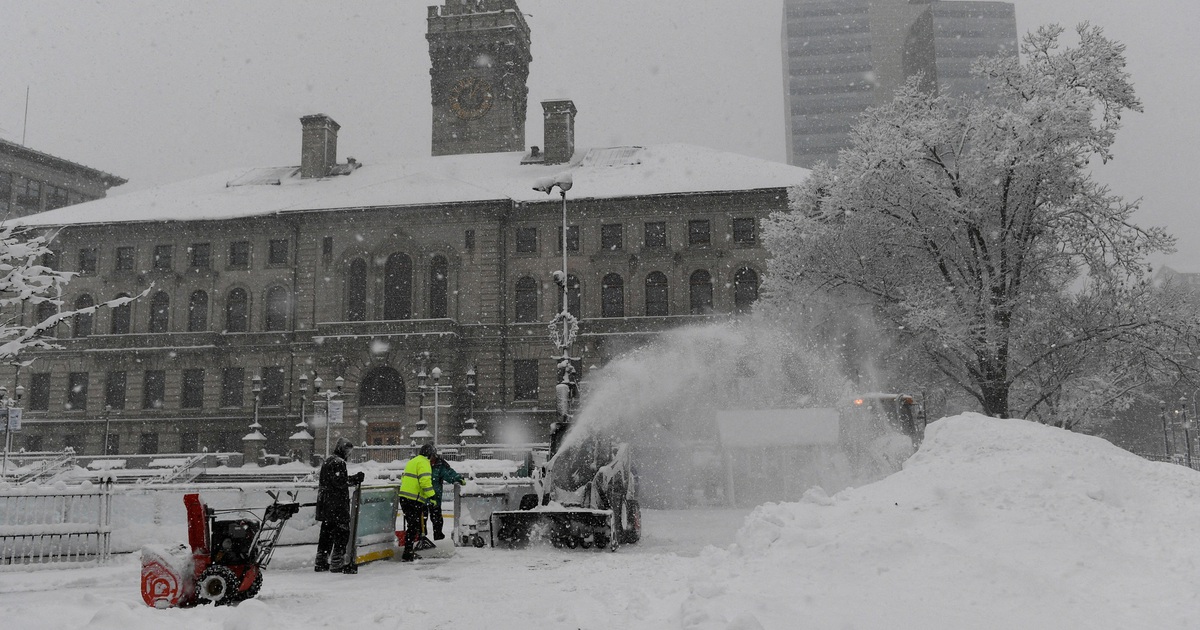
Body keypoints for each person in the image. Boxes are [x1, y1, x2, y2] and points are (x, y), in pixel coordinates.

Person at [314, 438, 365, 573]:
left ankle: (321, 561)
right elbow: (339, 481)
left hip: (325, 503)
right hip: (336, 504)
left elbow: (334, 480)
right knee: (342, 532)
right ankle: (337, 562)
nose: (348, 454)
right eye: (348, 451)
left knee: (326, 533)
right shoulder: (338, 462)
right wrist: (355, 479)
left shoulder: (329, 460)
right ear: (343, 449)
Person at [398, 443, 437, 561]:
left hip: (404, 497)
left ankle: (408, 551)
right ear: (429, 454)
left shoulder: (413, 461)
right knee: (414, 526)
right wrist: (432, 496)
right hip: (413, 499)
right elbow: (425, 482)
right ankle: (408, 553)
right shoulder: (424, 463)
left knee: (412, 525)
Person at [428, 453, 468, 540]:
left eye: (432, 457)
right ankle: (419, 539)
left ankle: (438, 539)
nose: (431, 460)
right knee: (420, 523)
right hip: (422, 498)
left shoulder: (440, 465)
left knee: (437, 520)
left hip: (435, 498)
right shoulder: (422, 464)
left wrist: (458, 478)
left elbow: (449, 473)